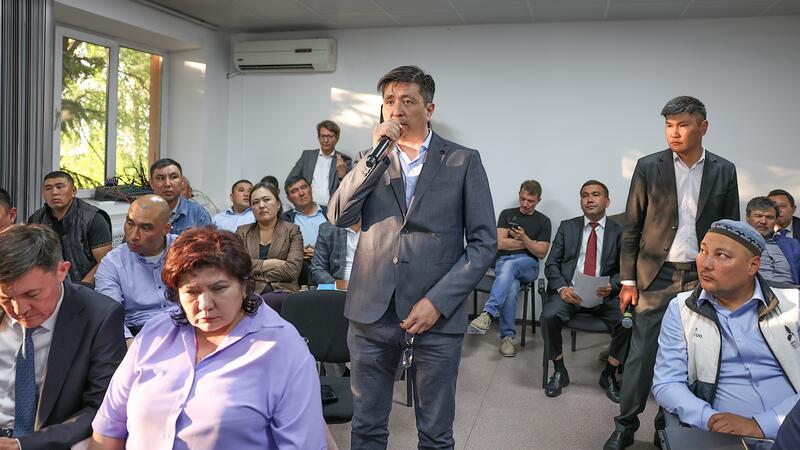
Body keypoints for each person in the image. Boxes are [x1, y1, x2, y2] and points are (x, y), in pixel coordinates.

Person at [328, 65, 496, 449]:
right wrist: (375, 156)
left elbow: (484, 243)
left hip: (435, 315)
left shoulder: (463, 160)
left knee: (436, 434)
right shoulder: (369, 159)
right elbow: (339, 215)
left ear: (429, 108)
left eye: (407, 100)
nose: (396, 109)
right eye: (389, 101)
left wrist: (438, 302)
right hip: (372, 312)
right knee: (366, 428)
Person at [90, 227, 327, 449]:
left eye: (219, 288)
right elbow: (109, 427)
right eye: (192, 292)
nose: (205, 304)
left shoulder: (281, 348)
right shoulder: (156, 333)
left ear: (245, 286)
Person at [605, 96, 740, 450]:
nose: (674, 133)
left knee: (691, 360)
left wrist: (727, 283)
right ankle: (625, 426)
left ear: (703, 127)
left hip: (701, 280)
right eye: (668, 125)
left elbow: (730, 232)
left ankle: (667, 428)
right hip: (655, 277)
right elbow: (631, 227)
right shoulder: (648, 166)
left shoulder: (724, 170)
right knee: (641, 357)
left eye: (682, 125)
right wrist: (628, 281)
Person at [653, 219, 800, 440]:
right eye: (703, 250)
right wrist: (709, 418)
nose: (705, 263)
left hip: (792, 427)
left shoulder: (793, 304)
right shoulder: (682, 309)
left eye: (721, 255)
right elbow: (667, 383)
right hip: (723, 435)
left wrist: (762, 424)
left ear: (753, 265)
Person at [0, 224, 126, 450]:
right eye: (6, 298)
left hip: (47, 441)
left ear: (62, 271)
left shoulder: (99, 317)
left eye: (32, 294)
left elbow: (101, 408)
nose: (19, 309)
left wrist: (21, 445)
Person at [541, 180, 631, 401]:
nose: (590, 199)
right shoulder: (567, 227)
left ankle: (609, 373)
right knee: (549, 315)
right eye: (585, 195)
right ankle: (559, 370)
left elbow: (626, 268)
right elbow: (551, 264)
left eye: (596, 194)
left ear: (607, 201)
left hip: (604, 296)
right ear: (581, 201)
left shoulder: (619, 232)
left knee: (628, 322)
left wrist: (614, 285)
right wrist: (562, 288)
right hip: (571, 294)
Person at [468, 180, 551, 357]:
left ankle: (488, 313)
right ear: (519, 195)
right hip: (504, 262)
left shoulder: (544, 221)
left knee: (510, 264)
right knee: (512, 286)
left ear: (538, 200)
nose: (525, 204)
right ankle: (507, 338)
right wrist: (531, 244)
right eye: (522, 199)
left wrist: (524, 238)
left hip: (529, 265)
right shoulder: (507, 214)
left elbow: (542, 252)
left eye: (530, 201)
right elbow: (499, 244)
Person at [95, 195, 177, 338]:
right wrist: (130, 344)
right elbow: (109, 316)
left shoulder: (185, 252)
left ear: (166, 229)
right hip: (138, 332)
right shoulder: (112, 264)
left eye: (145, 228)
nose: (133, 236)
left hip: (184, 326)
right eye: (130, 223)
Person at [27, 171, 113, 286]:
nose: (54, 192)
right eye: (48, 188)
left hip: (88, 287)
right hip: (51, 286)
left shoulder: (94, 218)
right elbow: (33, 258)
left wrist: (81, 288)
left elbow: (105, 262)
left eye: (60, 187)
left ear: (73, 191)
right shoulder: (36, 219)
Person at [237, 183, 302, 312]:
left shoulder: (292, 230)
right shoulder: (242, 232)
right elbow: (238, 267)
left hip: (283, 291)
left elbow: (292, 270)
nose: (261, 205)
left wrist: (254, 274)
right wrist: (269, 263)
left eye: (266, 199)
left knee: (266, 302)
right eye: (255, 202)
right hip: (249, 292)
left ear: (278, 204)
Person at [288, 119, 352, 207]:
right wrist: (297, 201)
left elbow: (349, 192)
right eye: (322, 136)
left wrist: (342, 175)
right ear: (318, 137)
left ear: (337, 138)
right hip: (308, 207)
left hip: (331, 208)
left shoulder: (344, 160)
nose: (325, 140)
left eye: (330, 136)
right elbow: (290, 181)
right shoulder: (307, 156)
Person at [281, 175, 328, 286]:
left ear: (310, 189)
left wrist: (321, 253)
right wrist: (296, 252)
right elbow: (278, 249)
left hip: (329, 268)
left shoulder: (330, 212)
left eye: (304, 187)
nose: (301, 193)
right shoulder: (284, 219)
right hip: (300, 273)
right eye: (294, 191)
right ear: (289, 198)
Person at [745, 196, 800, 285]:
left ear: (776, 220)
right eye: (758, 216)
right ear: (747, 217)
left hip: (791, 290)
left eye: (769, 217)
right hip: (756, 290)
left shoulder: (792, 244)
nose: (763, 221)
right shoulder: (737, 242)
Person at [148, 158, 211, 235]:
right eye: (161, 178)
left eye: (174, 177)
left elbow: (210, 241)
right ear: (151, 183)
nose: (167, 184)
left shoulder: (198, 214)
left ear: (182, 182)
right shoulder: (142, 212)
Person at [310, 220, 361, 286]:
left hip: (370, 286)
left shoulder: (374, 229)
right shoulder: (327, 228)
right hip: (337, 286)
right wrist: (335, 286)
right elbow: (319, 268)